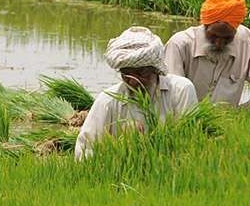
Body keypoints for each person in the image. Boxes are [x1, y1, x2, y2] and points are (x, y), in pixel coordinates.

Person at [74, 26, 197, 159]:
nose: (133, 82)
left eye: (141, 73)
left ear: (155, 69)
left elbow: (191, 144)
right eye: (126, 74)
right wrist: (117, 150)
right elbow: (84, 149)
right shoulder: (107, 100)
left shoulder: (181, 91)